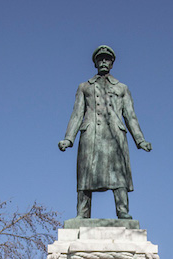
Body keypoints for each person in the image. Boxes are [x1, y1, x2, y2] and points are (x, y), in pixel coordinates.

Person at [58, 45, 152, 220]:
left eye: (106, 59)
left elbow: (130, 116)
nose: (103, 62)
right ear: (95, 62)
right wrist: (68, 139)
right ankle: (82, 213)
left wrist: (140, 140)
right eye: (100, 59)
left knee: (119, 175)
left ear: (112, 63)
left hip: (115, 137)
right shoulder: (84, 87)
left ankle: (122, 211)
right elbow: (77, 113)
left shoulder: (122, 88)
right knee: (86, 173)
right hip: (91, 134)